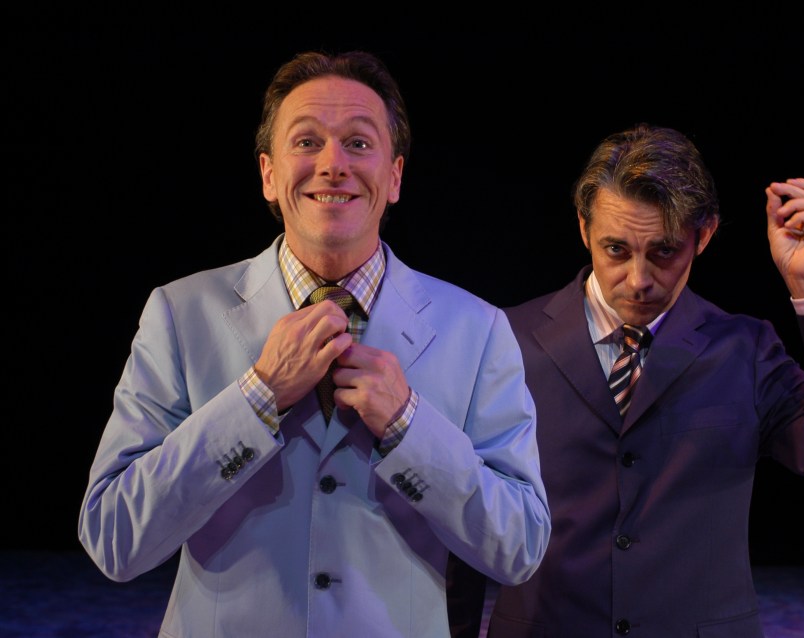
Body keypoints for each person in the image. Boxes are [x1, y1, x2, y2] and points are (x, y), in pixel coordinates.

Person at [77, 50, 550, 638]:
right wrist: (257, 397)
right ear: (268, 174)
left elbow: (520, 547)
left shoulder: (477, 329)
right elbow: (114, 538)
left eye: (358, 143)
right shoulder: (179, 313)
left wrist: (408, 425)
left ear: (394, 176)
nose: (332, 164)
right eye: (306, 142)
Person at [447, 123, 804, 637]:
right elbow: (457, 515)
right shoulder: (504, 340)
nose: (639, 279)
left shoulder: (745, 350)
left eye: (663, 251)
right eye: (616, 249)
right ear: (583, 228)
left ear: (703, 235)